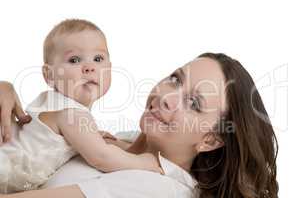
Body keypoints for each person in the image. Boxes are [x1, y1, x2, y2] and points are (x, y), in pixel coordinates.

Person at [0, 53, 279, 198]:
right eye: (175, 79)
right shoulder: (125, 142)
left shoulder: (157, 189)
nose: (168, 97)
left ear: (210, 140)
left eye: (193, 104)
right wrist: (8, 92)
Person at [0, 19, 162, 193]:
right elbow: (101, 157)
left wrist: (93, 136)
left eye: (98, 59)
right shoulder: (72, 114)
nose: (89, 67)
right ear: (49, 75)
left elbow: (51, 138)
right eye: (74, 60)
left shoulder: (55, 105)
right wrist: (143, 162)